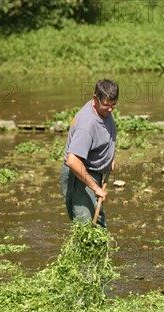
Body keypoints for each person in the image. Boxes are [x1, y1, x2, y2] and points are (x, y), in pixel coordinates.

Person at [61, 79, 119, 228]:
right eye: (107, 105)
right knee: (85, 227)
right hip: (81, 175)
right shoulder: (86, 125)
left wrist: (109, 157)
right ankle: (79, 252)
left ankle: (100, 252)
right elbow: (73, 161)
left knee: (98, 224)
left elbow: (105, 134)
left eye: (114, 105)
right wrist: (96, 188)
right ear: (95, 98)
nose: (110, 109)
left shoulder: (103, 109)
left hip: (95, 171)